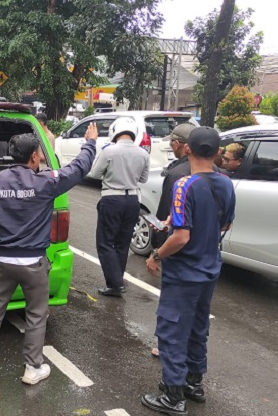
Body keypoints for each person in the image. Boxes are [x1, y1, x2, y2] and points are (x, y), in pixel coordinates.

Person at [0, 123, 99, 385]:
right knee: (36, 315)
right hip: (34, 264)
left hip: (3, 262)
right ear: (34, 157)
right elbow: (78, 168)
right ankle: (33, 368)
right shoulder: (47, 181)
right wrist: (91, 143)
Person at [142, 127, 236, 415]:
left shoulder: (184, 185)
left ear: (187, 150)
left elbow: (181, 237)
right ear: (218, 152)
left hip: (184, 272)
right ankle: (194, 384)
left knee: (172, 331)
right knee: (197, 327)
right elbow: (225, 224)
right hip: (209, 268)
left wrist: (156, 255)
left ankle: (173, 395)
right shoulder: (226, 183)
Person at [90, 117, 150, 297]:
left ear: (115, 131)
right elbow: (143, 179)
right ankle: (117, 280)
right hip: (132, 200)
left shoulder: (109, 151)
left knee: (105, 242)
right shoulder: (143, 153)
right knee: (122, 243)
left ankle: (115, 284)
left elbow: (95, 173)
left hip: (112, 198)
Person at [154, 124, 198, 248]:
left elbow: (166, 210)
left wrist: (158, 245)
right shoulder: (213, 170)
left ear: (177, 144)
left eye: (171, 142)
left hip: (177, 243)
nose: (170, 146)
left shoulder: (176, 174)